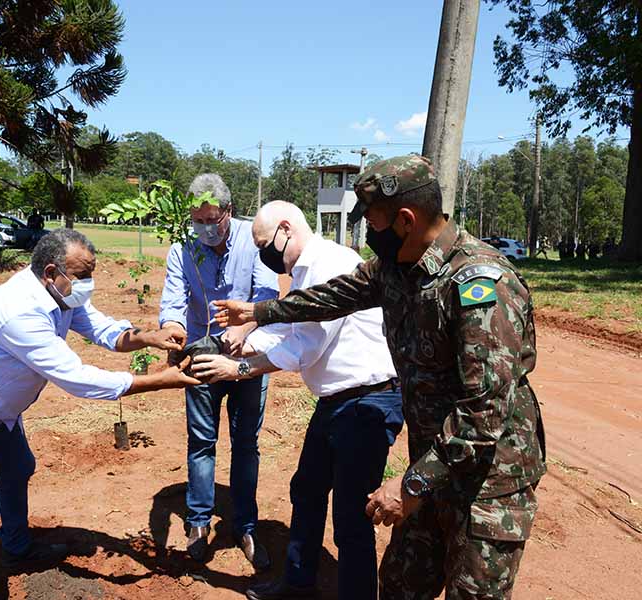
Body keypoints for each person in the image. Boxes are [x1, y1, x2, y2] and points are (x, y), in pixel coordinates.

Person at [214, 155, 546, 600]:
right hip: (432, 463)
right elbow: (335, 296)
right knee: (399, 585)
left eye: (373, 222)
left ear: (406, 220)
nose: (368, 234)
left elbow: (482, 417)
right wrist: (260, 311)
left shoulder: (479, 285)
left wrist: (411, 485)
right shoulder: (396, 267)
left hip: (487, 483)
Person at [0, 228, 199, 600]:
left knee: (17, 469)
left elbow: (103, 330)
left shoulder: (61, 295)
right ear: (51, 272)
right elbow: (77, 378)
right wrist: (160, 381)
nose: (89, 283)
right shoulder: (19, 312)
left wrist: (147, 337)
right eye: (83, 275)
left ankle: (17, 548)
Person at [192, 201, 404, 599]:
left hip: (367, 403)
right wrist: (243, 343)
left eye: (264, 245)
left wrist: (239, 369)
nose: (264, 255)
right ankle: (299, 583)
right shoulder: (305, 270)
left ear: (286, 229)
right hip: (336, 401)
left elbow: (307, 345)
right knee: (306, 489)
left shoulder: (329, 264)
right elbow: (290, 329)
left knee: (350, 518)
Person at [158, 173, 280, 568]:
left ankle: (245, 525)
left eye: (213, 220)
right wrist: (172, 330)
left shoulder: (252, 240)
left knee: (245, 443)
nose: (206, 229)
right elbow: (173, 302)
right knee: (201, 440)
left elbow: (267, 294)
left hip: (246, 350)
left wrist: (243, 329)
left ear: (229, 211)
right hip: (202, 350)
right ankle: (198, 522)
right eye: (198, 221)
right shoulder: (182, 248)